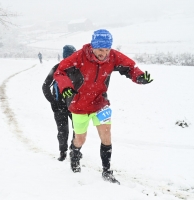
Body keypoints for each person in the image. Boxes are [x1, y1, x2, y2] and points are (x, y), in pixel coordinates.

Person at [53, 29, 153, 184]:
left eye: (107, 50)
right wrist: (65, 87)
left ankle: (107, 171)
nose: (104, 54)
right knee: (80, 138)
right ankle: (75, 153)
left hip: (101, 103)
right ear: (93, 46)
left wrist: (139, 76)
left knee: (106, 135)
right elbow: (60, 71)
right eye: (100, 50)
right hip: (80, 105)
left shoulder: (112, 56)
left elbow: (130, 67)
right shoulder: (79, 56)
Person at [42, 45, 77, 161]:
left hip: (72, 105)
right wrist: (52, 101)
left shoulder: (77, 69)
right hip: (63, 105)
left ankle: (72, 150)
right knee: (66, 130)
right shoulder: (58, 68)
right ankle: (64, 151)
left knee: (76, 129)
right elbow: (45, 86)